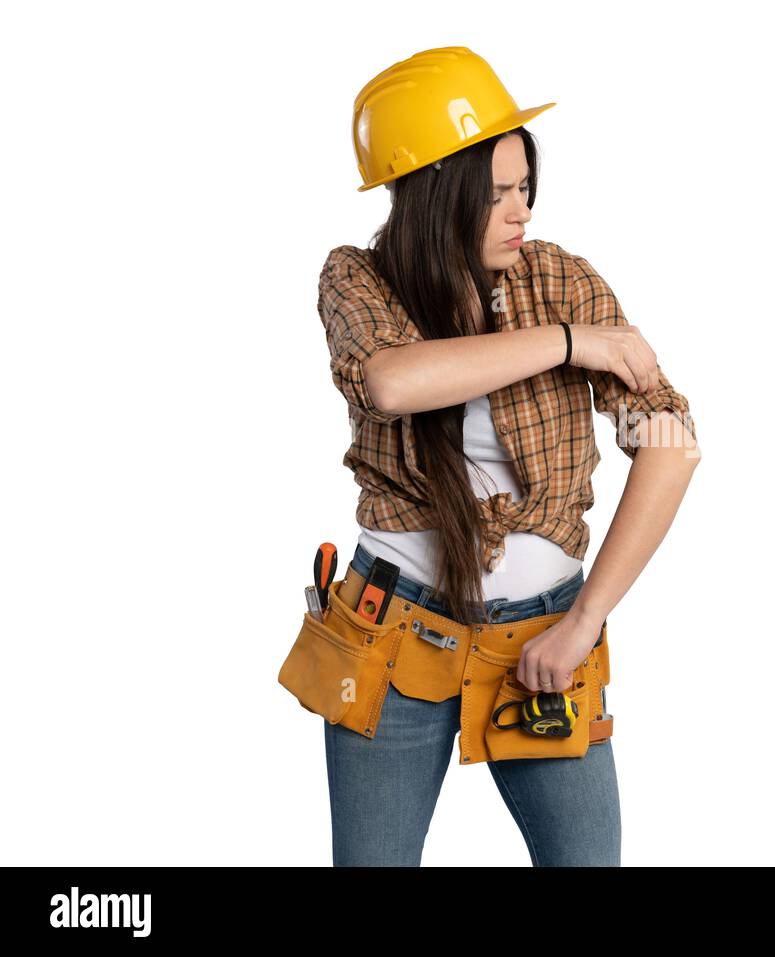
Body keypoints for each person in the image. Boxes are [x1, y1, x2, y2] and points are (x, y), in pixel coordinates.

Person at [315, 47, 702, 866]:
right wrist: (570, 344)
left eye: (525, 186)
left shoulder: (562, 278)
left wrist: (585, 621)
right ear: (431, 197)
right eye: (494, 194)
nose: (519, 211)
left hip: (546, 643)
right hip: (394, 635)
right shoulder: (360, 279)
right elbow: (393, 383)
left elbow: (671, 446)